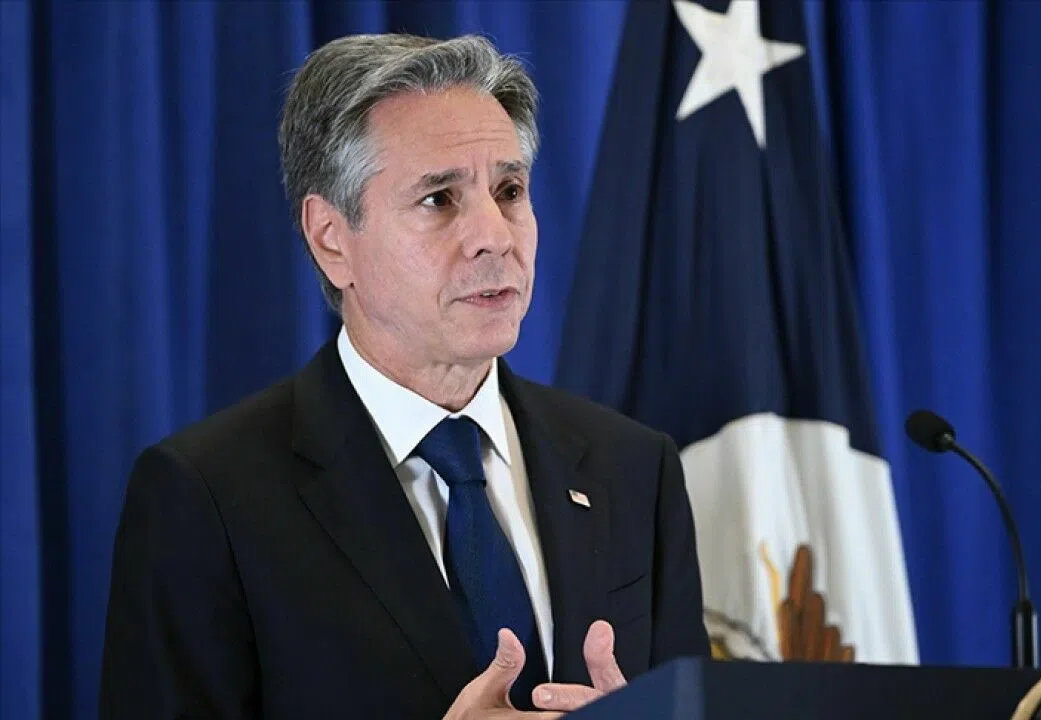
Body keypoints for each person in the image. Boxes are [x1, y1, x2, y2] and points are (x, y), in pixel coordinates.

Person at [99, 32, 710, 718]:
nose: (495, 236)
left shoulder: (634, 468)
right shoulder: (205, 497)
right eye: (439, 199)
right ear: (332, 239)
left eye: (509, 190)